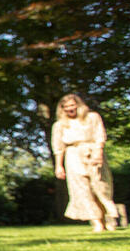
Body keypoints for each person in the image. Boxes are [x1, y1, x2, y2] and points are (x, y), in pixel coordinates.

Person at [51, 93, 119, 232]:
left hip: (92, 151)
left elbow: (100, 135)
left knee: (100, 186)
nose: (70, 109)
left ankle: (108, 218)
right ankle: (96, 223)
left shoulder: (92, 117)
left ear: (78, 105)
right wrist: (59, 166)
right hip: (72, 155)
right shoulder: (59, 125)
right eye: (66, 107)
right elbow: (58, 147)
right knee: (81, 189)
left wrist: (98, 152)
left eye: (72, 105)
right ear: (62, 109)